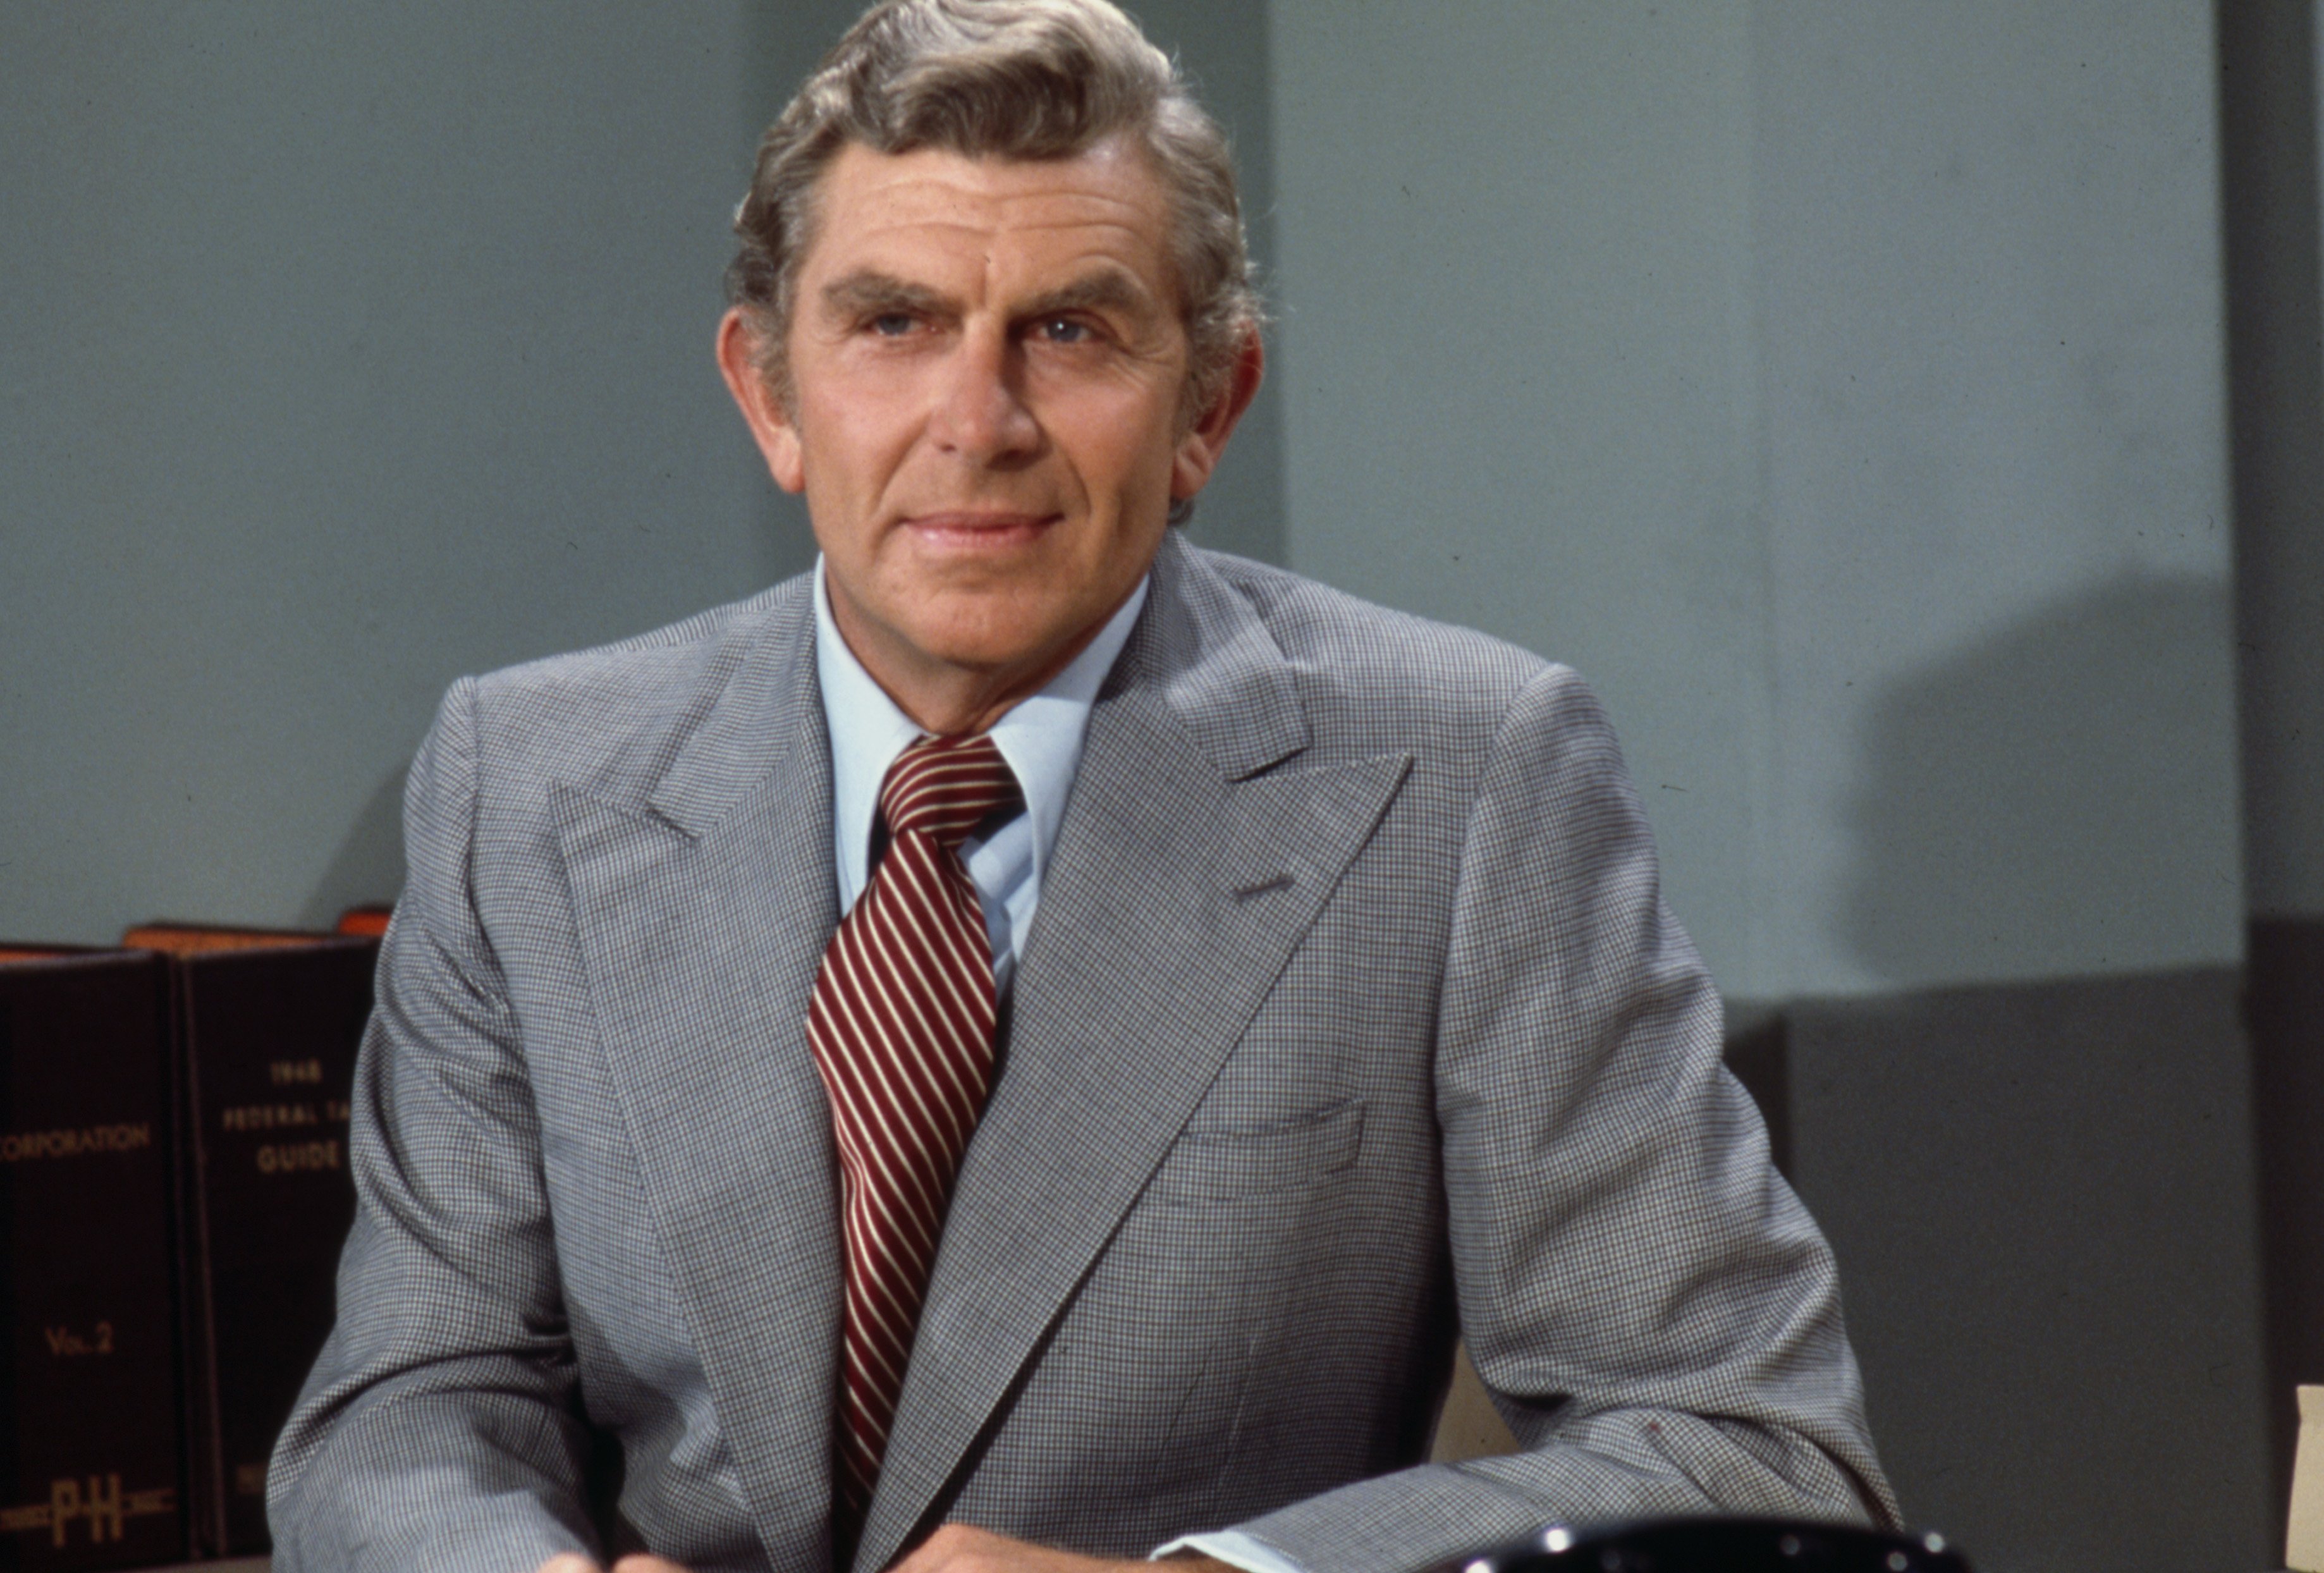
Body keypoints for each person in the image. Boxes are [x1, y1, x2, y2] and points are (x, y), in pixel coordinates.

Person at [268, 3, 1897, 1570]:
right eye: (894, 323)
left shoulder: (1467, 775)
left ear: (1209, 408)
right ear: (770, 393)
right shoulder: (530, 778)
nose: (977, 424)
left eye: (1071, 331)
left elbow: (1744, 1446)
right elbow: (409, 1410)